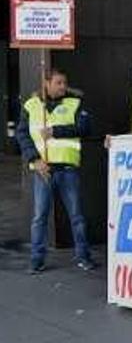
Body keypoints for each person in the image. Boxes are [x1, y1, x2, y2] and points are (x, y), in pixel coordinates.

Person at [15, 68, 96, 274]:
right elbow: (22, 135)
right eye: (58, 82)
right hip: (43, 169)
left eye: (64, 82)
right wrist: (34, 159)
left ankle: (84, 257)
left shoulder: (75, 102)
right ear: (47, 83)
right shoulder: (31, 105)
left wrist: (55, 132)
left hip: (67, 168)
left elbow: (85, 128)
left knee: (76, 216)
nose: (63, 86)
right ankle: (36, 260)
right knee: (39, 217)